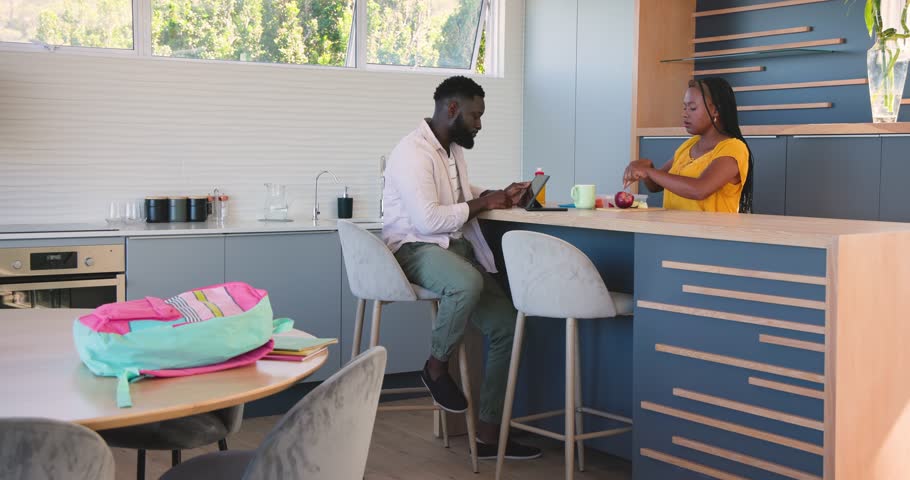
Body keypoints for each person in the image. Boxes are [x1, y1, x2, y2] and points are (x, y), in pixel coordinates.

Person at [382, 76, 541, 460]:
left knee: (507, 323)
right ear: (452, 109)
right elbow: (427, 221)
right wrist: (484, 204)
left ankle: (488, 435)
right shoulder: (412, 152)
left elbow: (458, 197)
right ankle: (435, 367)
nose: (479, 124)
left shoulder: (450, 150)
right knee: (467, 282)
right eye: (475, 115)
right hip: (413, 248)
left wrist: (494, 195)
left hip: (449, 246)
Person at [623, 77, 754, 213]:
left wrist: (650, 172)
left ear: (715, 110)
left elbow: (700, 190)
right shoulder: (689, 145)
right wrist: (648, 168)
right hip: (674, 229)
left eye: (692, 108)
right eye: (684, 107)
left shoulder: (734, 148)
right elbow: (656, 185)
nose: (684, 114)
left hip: (709, 233)